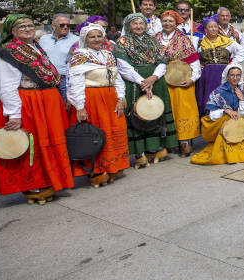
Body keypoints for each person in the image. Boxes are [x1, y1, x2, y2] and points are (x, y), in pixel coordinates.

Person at [0, 15, 72, 204]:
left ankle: (48, 179)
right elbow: (7, 86)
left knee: (48, 142)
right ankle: (33, 185)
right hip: (28, 103)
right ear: (12, 31)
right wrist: (14, 114)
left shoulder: (34, 47)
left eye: (29, 25)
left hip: (45, 101)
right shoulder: (8, 53)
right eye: (21, 26)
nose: (27, 29)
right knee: (32, 144)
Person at [67, 24, 130, 186]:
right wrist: (79, 106)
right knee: (96, 134)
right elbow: (75, 82)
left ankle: (114, 165)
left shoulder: (107, 54)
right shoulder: (80, 55)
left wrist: (120, 97)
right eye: (92, 37)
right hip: (92, 98)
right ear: (85, 39)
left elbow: (117, 78)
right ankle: (95, 169)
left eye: (99, 36)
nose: (96, 39)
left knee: (115, 129)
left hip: (110, 98)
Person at [115, 13, 177, 167]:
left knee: (155, 113)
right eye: (134, 23)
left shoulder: (153, 40)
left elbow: (162, 60)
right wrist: (142, 82)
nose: (138, 26)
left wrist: (153, 77)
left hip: (155, 80)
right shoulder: (122, 42)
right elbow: (123, 66)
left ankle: (155, 148)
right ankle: (140, 153)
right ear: (128, 26)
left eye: (141, 23)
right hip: (134, 81)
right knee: (138, 115)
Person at [157, 10, 201, 157]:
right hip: (162, 81)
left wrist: (192, 79)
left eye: (171, 21)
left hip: (182, 81)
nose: (167, 24)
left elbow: (195, 63)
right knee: (165, 111)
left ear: (176, 23)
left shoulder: (183, 39)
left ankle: (185, 142)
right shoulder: (154, 39)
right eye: (165, 21)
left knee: (184, 111)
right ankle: (168, 143)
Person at [191, 64, 244, 165]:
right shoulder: (219, 92)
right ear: (227, 76)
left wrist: (242, 100)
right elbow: (212, 115)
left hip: (234, 123)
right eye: (232, 75)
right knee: (227, 119)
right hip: (217, 124)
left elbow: (243, 114)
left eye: (238, 75)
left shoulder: (240, 91)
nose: (235, 78)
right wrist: (225, 110)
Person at [196, 18, 244, 114]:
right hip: (208, 75)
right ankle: (209, 120)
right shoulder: (200, 43)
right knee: (208, 97)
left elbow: (241, 51)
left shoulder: (227, 41)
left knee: (224, 95)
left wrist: (232, 64)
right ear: (205, 29)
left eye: (215, 27)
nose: (214, 29)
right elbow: (194, 57)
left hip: (223, 73)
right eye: (210, 27)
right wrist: (199, 65)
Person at [38, 13, 77, 103]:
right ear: (53, 26)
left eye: (68, 25)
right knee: (48, 107)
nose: (66, 27)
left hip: (64, 80)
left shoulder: (76, 40)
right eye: (62, 25)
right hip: (46, 79)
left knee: (63, 109)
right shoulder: (44, 39)